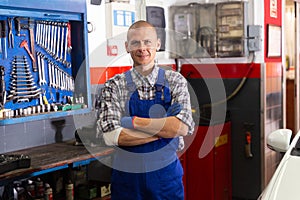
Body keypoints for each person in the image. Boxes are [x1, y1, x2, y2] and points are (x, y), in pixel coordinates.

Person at [97, 20, 195, 200]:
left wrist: (132, 122)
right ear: (127, 47)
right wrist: (162, 132)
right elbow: (111, 135)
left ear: (157, 44)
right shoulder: (114, 85)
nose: (142, 48)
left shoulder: (175, 81)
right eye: (135, 43)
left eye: (147, 42)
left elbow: (181, 127)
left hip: (166, 181)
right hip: (127, 182)